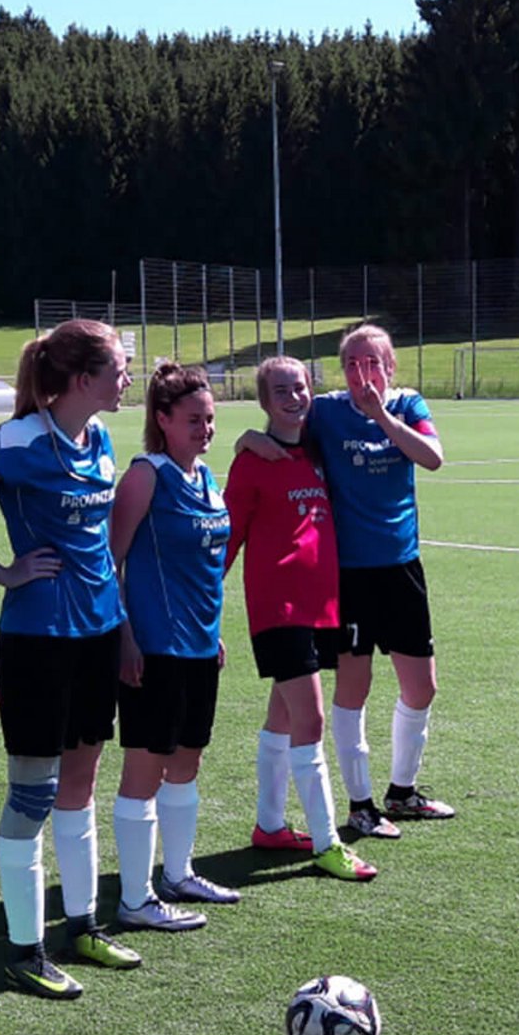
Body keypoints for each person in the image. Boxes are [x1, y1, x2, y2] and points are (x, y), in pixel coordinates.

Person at [0, 318, 142, 1001]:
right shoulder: (13, 441)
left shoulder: (98, 437)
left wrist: (122, 626)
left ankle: (82, 924)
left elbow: (100, 549)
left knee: (81, 783)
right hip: (38, 640)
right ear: (81, 379)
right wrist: (3, 572)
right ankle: (23, 947)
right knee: (32, 793)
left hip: (97, 634)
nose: (127, 378)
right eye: (119, 367)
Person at [236, 325, 448, 839]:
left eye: (372, 361)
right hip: (347, 574)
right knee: (354, 688)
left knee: (422, 687)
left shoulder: (408, 405)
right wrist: (249, 439)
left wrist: (381, 417)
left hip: (401, 565)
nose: (362, 372)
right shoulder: (326, 411)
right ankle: (360, 804)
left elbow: (433, 457)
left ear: (391, 365)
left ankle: (402, 792)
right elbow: (281, 424)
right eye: (351, 362)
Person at [224, 355, 378, 881]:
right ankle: (328, 842)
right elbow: (226, 541)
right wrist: (203, 609)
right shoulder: (252, 462)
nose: (294, 397)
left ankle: (269, 825)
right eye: (281, 391)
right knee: (309, 720)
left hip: (319, 606)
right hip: (279, 608)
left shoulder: (315, 452)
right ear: (265, 402)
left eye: (301, 388)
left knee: (283, 717)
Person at [106, 362, 241, 928]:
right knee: (145, 769)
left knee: (187, 762)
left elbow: (206, 570)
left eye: (209, 419)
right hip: (154, 649)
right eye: (192, 420)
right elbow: (107, 562)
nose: (204, 429)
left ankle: (178, 873)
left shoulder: (206, 478)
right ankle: (135, 900)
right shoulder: (145, 476)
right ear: (161, 419)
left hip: (197, 648)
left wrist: (214, 633)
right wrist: (125, 637)